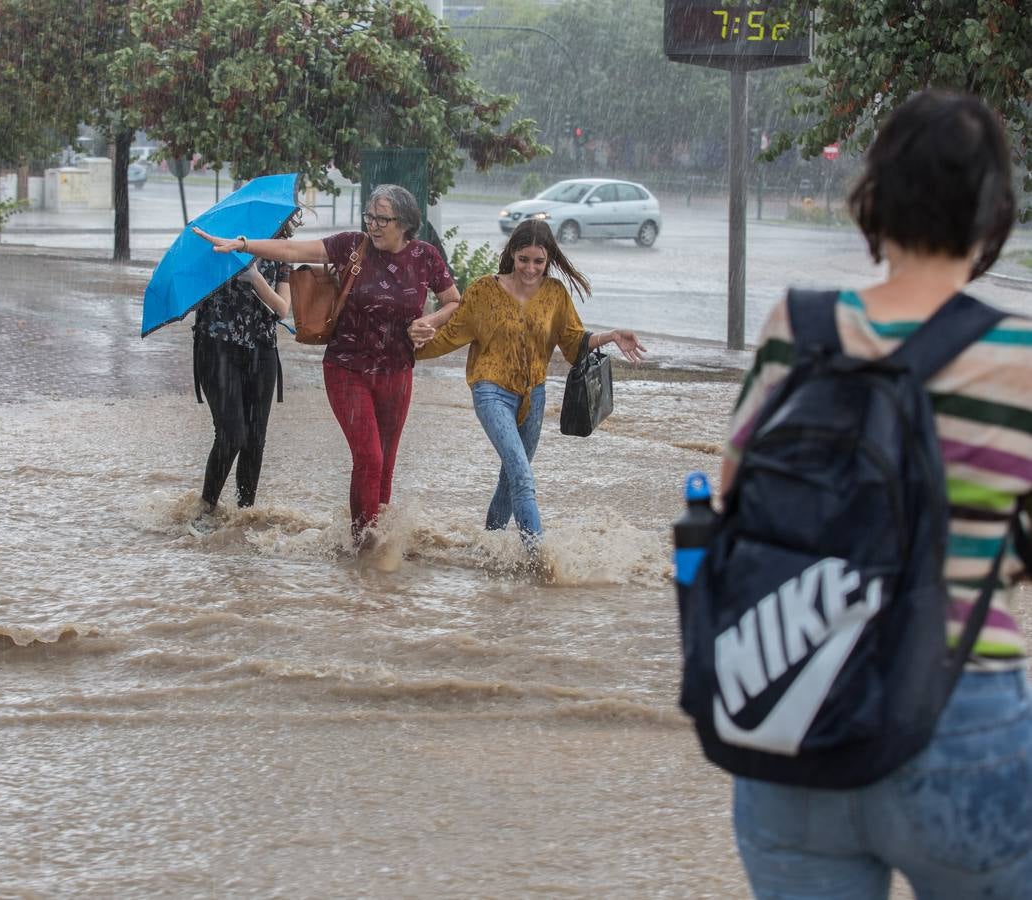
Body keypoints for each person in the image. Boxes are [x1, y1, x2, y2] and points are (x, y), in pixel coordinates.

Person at [720, 90, 1031, 898]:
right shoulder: (1022, 355)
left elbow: (734, 499)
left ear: (873, 196)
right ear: (994, 210)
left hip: (798, 710)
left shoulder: (798, 327)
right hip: (962, 708)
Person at [194, 184, 461, 545]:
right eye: (370, 216)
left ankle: (376, 541)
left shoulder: (425, 256)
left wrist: (430, 322)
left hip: (397, 371)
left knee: (385, 463)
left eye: (383, 219)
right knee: (369, 457)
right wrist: (243, 245)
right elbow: (293, 249)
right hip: (346, 368)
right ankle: (361, 545)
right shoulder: (352, 245)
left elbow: (453, 301)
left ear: (405, 223)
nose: (373, 225)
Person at [412, 218, 645, 557]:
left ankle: (488, 549)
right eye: (523, 259)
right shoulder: (483, 291)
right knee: (522, 476)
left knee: (511, 478)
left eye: (538, 261)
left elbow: (573, 343)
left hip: (534, 396)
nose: (530, 268)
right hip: (490, 390)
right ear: (512, 254)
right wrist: (409, 348)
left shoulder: (555, 294)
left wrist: (610, 336)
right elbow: (450, 336)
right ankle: (539, 560)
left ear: (548, 259)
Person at [189, 220, 294, 531]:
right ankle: (206, 510)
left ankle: (244, 517)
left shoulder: (280, 250)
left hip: (262, 350)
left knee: (254, 440)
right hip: (216, 347)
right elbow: (192, 294)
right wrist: (223, 269)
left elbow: (282, 309)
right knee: (232, 434)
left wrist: (255, 277)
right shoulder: (218, 245)